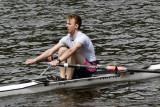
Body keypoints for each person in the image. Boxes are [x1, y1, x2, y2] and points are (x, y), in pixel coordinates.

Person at [25, 14, 97, 80]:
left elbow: (71, 51)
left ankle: (68, 79)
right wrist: (34, 60)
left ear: (76, 26)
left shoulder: (82, 37)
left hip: (89, 68)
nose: (66, 26)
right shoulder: (66, 38)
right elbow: (51, 51)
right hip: (77, 68)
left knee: (71, 52)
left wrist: (57, 60)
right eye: (66, 23)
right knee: (62, 49)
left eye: (69, 24)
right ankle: (62, 77)